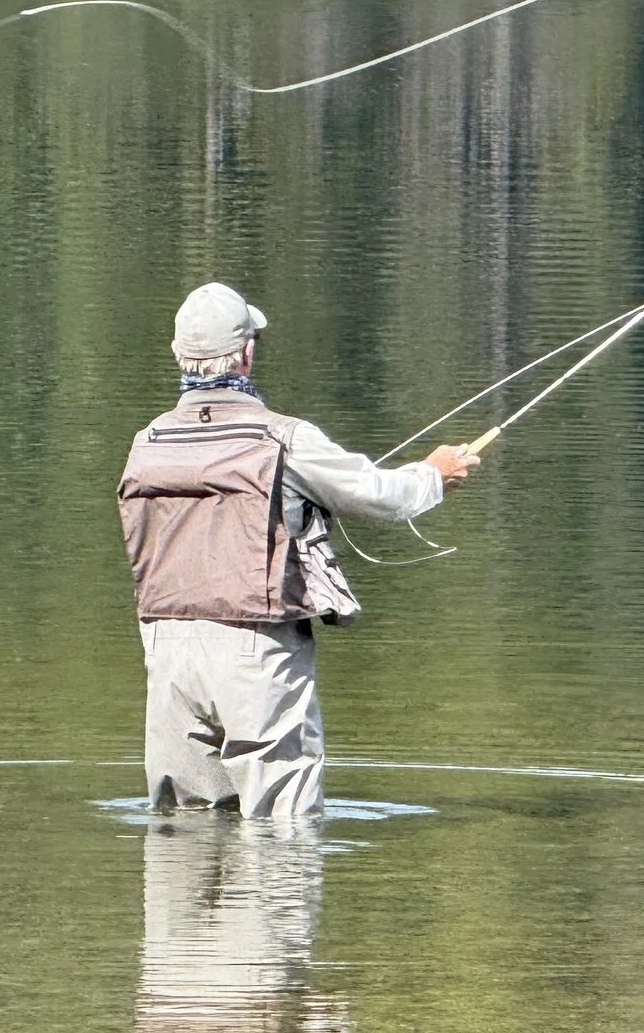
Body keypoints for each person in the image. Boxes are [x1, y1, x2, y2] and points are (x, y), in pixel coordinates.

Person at [117, 283, 479, 818]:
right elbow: (380, 496)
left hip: (166, 648)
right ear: (246, 354)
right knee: (282, 821)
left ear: (177, 354)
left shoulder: (146, 442)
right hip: (257, 646)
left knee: (182, 824)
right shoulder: (284, 438)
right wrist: (433, 475)